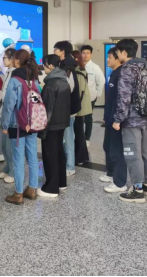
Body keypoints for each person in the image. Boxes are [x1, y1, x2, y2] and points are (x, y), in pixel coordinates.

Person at [113, 39, 147, 204]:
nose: (117, 55)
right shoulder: (145, 67)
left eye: (118, 52)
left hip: (132, 120)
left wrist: (118, 119)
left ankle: (137, 191)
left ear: (124, 52)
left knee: (132, 154)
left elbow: (124, 97)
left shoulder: (127, 69)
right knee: (146, 152)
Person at [1, 50, 41, 205]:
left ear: (17, 61)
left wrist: (5, 124)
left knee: (18, 160)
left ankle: (18, 193)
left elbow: (8, 105)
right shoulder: (34, 78)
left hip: (17, 125)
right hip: (32, 123)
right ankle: (32, 189)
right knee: (32, 157)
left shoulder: (15, 79)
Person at [38, 55, 71, 198]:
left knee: (50, 154)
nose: (43, 67)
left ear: (51, 66)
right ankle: (61, 182)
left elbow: (46, 108)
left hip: (51, 124)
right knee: (59, 152)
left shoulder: (51, 84)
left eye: (45, 64)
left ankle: (51, 188)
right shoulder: (64, 80)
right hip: (62, 122)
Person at [102, 48, 128, 194]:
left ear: (118, 58)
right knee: (108, 146)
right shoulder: (113, 73)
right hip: (109, 118)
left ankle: (120, 182)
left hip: (116, 119)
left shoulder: (121, 75)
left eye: (110, 57)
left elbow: (121, 100)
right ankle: (111, 174)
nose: (107, 60)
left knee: (117, 151)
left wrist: (117, 119)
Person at [54, 41, 82, 178]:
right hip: (66, 106)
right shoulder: (64, 64)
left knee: (68, 136)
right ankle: (66, 163)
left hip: (68, 107)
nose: (54, 51)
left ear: (62, 51)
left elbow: (69, 88)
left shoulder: (68, 66)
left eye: (56, 49)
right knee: (66, 137)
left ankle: (70, 166)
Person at [0, 48, 17, 184]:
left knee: (10, 146)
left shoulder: (15, 74)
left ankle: (13, 172)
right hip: (4, 111)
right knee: (4, 145)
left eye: (5, 57)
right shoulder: (8, 72)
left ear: (12, 59)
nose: (3, 60)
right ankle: (7, 167)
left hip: (12, 114)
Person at [81, 45, 106, 145]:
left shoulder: (95, 67)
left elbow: (101, 80)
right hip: (79, 97)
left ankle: (87, 139)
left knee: (88, 118)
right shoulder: (78, 66)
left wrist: (97, 93)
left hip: (90, 97)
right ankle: (80, 138)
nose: (85, 55)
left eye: (88, 53)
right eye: (83, 53)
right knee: (79, 119)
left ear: (91, 54)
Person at [72, 50, 92, 166]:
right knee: (79, 131)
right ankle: (81, 156)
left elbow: (79, 92)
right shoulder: (79, 70)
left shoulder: (78, 72)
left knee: (79, 131)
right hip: (80, 106)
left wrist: (74, 107)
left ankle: (81, 157)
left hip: (79, 107)